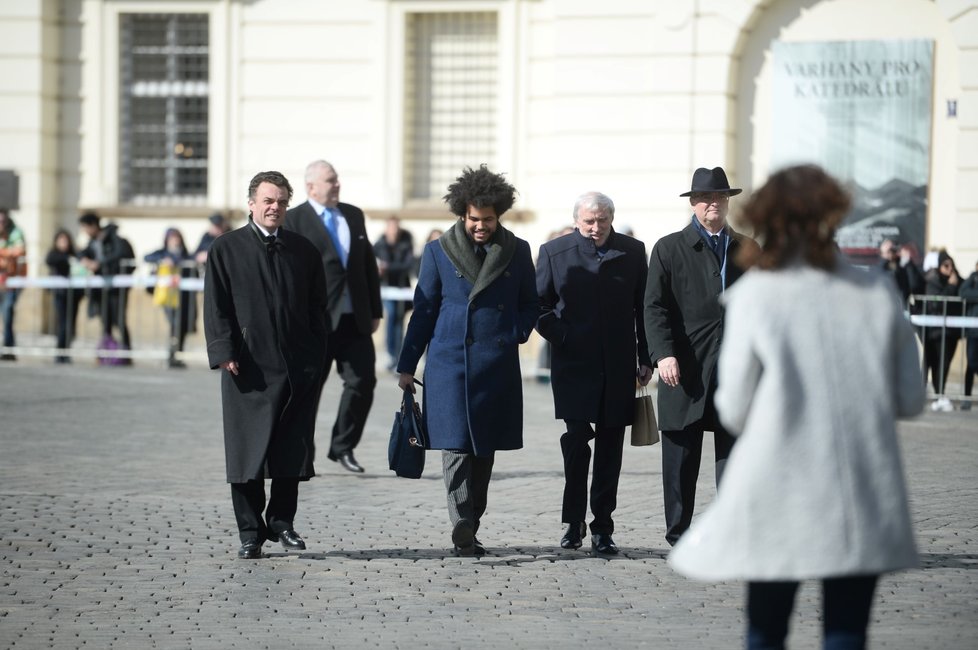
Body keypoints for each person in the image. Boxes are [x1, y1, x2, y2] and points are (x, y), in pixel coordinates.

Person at [668, 164, 925, 650]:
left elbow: (735, 408)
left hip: (780, 483)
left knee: (767, 629)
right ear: (834, 216)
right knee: (847, 632)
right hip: (861, 485)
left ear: (767, 217)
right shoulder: (876, 289)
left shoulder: (755, 296)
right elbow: (911, 398)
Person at [397, 165, 537, 556]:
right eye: (474, 219)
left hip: (496, 364)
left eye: (488, 220)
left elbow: (532, 303)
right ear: (462, 214)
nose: (481, 226)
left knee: (484, 451)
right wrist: (408, 365)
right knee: (455, 447)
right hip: (448, 363)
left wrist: (514, 333)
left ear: (499, 216)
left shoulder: (518, 250)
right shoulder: (437, 252)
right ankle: (460, 521)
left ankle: (472, 520)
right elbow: (423, 311)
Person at [204, 170, 328, 560]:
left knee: (291, 448)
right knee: (247, 452)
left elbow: (317, 308)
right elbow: (216, 306)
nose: (275, 207)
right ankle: (249, 531)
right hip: (247, 365)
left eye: (281, 202)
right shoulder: (226, 248)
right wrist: (224, 350)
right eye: (268, 200)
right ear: (252, 204)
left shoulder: (303, 250)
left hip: (295, 367)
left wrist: (316, 352)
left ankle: (282, 522)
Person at [644, 166, 757, 546]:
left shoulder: (746, 247)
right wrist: (663, 355)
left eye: (721, 198)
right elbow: (654, 308)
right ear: (693, 203)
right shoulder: (669, 248)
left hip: (735, 367)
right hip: (686, 367)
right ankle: (679, 533)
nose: (714, 204)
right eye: (707, 198)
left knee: (734, 455)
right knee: (680, 454)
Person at [536, 192, 652, 555]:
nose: (595, 228)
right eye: (589, 221)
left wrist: (647, 355)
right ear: (577, 221)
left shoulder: (633, 252)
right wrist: (563, 336)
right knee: (576, 444)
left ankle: (603, 526)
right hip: (573, 366)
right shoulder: (555, 252)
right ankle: (573, 522)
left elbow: (644, 307)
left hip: (618, 367)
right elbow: (538, 306)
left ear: (611, 219)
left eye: (602, 221)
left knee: (610, 450)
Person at [284, 160, 382, 474]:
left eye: (337, 179)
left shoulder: (353, 215)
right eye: (330, 180)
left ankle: (343, 446)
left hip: (355, 319)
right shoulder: (294, 219)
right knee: (308, 390)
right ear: (311, 186)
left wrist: (375, 310)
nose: (336, 184)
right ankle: (302, 455)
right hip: (316, 321)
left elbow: (367, 265)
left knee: (363, 382)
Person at [78, 212, 136, 357]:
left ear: (93, 225)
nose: (85, 231)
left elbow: (120, 253)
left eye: (86, 227)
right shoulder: (92, 242)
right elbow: (80, 252)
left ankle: (127, 353)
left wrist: (100, 263)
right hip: (101, 289)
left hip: (117, 288)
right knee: (106, 320)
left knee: (120, 320)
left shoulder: (114, 238)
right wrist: (84, 260)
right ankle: (107, 352)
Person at [145, 228, 197, 369]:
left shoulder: (185, 255)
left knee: (183, 326)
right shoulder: (162, 253)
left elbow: (192, 264)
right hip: (168, 296)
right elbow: (146, 257)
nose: (175, 241)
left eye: (177, 238)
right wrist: (163, 260)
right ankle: (171, 355)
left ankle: (177, 355)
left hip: (184, 296)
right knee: (175, 324)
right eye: (172, 238)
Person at [373, 216, 415, 371]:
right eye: (391, 227)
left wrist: (387, 267)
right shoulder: (379, 244)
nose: (393, 231)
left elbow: (407, 265)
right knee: (391, 318)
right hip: (385, 288)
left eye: (395, 227)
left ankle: (397, 354)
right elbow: (372, 264)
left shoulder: (406, 243)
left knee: (399, 320)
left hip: (402, 288)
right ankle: (392, 354)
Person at [922, 249, 962, 410]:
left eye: (951, 265)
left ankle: (939, 395)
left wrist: (955, 281)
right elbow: (938, 302)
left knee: (945, 364)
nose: (949, 268)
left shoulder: (956, 280)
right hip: (936, 332)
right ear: (939, 266)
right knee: (938, 364)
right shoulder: (933, 281)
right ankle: (938, 394)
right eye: (946, 265)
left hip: (952, 331)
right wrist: (952, 287)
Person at [44, 229, 84, 363]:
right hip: (60, 294)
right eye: (61, 240)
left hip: (74, 295)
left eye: (65, 240)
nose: (63, 243)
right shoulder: (55, 254)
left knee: (71, 324)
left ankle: (66, 351)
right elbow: (50, 260)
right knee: (62, 323)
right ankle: (60, 351)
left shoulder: (75, 253)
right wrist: (67, 259)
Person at [0, 207, 26, 360]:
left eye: (2, 221)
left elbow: (19, 251)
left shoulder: (15, 232)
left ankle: (8, 349)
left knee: (7, 314)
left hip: (11, 282)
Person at [878, 238, 924, 306]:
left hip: (900, 304)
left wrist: (908, 262)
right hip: (883, 304)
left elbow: (914, 284)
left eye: (893, 250)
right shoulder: (880, 267)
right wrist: (886, 257)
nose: (892, 253)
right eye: (889, 251)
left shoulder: (902, 265)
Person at [960, 259, 978, 411]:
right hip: (973, 331)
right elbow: (963, 293)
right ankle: (966, 398)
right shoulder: (973, 278)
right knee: (971, 363)